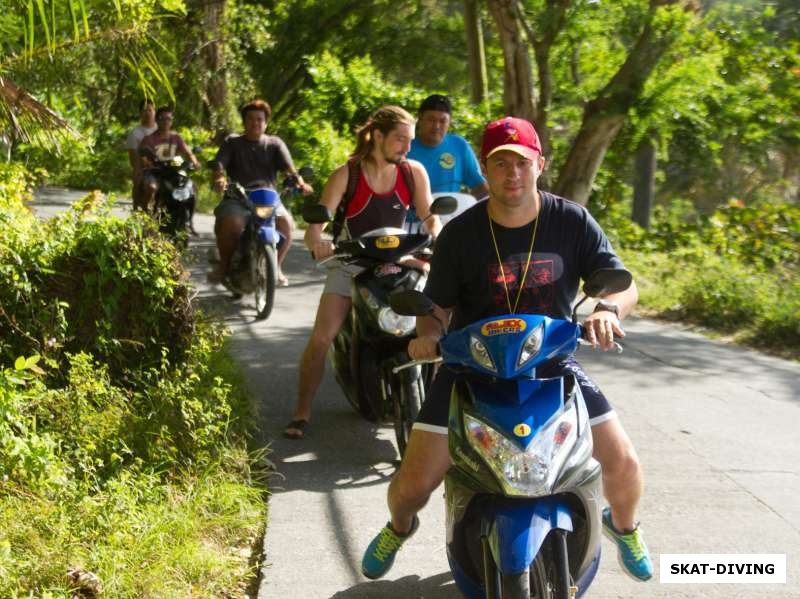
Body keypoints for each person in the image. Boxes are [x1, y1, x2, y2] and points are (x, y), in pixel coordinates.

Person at [361, 117, 653, 583]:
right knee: (411, 485)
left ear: (540, 164)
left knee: (623, 464)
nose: (511, 173)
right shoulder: (460, 233)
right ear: (486, 168)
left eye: (521, 162)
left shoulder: (571, 220)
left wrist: (608, 311)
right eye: (500, 163)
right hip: (468, 372)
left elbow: (624, 286)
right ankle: (398, 528)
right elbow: (435, 306)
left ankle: (625, 528)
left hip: (553, 368)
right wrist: (427, 334)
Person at [284, 105, 442, 440]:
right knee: (322, 338)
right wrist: (318, 242)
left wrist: (439, 236)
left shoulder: (413, 172)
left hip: (399, 261)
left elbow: (430, 216)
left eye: (409, 140)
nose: (407, 147)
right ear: (378, 136)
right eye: (400, 139)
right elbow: (316, 225)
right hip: (351, 263)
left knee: (439, 326)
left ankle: (443, 409)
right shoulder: (348, 174)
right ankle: (301, 412)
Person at [209, 99, 312, 286]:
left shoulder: (275, 144)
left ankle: (276, 266)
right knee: (232, 224)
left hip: (268, 198)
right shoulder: (232, 142)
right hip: (238, 197)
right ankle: (223, 267)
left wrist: (301, 184)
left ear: (266, 122)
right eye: (250, 119)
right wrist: (219, 180)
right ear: (244, 121)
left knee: (286, 225)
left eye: (259, 119)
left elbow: (291, 169)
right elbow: (219, 166)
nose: (255, 123)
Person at [405, 94, 489, 228]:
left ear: (449, 122)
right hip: (410, 224)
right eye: (431, 119)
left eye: (442, 121)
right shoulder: (405, 146)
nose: (436, 126)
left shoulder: (459, 145)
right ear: (419, 118)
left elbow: (481, 188)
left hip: (449, 222)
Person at [139, 107, 200, 217]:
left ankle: (189, 222)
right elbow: (143, 156)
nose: (166, 121)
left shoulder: (176, 137)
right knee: (151, 187)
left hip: (173, 170)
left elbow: (188, 153)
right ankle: (145, 216)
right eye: (163, 119)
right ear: (157, 120)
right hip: (156, 171)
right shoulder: (149, 139)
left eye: (169, 119)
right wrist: (147, 163)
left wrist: (194, 162)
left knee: (192, 187)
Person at [125, 99, 156, 211]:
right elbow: (133, 158)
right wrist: (142, 165)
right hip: (143, 167)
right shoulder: (135, 133)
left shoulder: (162, 129)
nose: (147, 113)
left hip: (162, 166)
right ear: (140, 113)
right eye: (144, 111)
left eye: (150, 110)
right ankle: (139, 204)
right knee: (139, 180)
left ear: (154, 111)